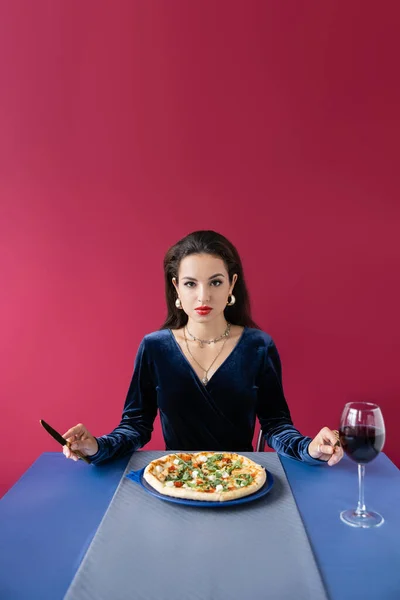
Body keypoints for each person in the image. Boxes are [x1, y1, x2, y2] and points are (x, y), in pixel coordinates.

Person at [63, 230, 343, 467]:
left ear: (232, 284)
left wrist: (310, 449)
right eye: (190, 284)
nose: (203, 296)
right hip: (175, 479)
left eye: (215, 282)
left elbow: (276, 425)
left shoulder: (259, 346)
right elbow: (135, 425)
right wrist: (97, 448)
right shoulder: (154, 347)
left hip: (240, 479)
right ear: (176, 288)